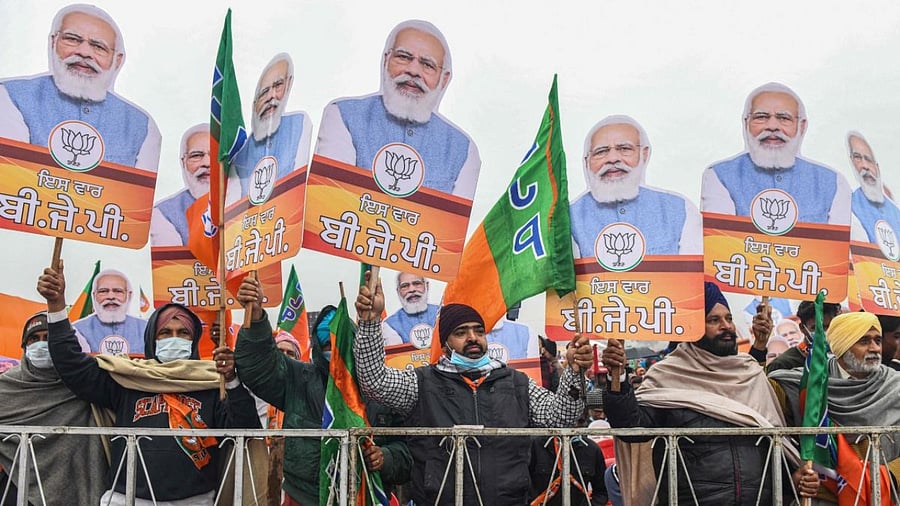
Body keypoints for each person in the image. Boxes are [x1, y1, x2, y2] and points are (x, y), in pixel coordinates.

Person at [352, 272, 593, 504]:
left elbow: (560, 417)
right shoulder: (422, 384)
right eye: (461, 332)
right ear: (445, 344)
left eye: (479, 331)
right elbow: (374, 382)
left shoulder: (516, 383)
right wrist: (371, 323)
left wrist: (573, 371)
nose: (473, 338)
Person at [37, 260, 260, 504]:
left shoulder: (211, 381)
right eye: (165, 333)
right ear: (151, 339)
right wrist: (56, 305)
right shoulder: (128, 377)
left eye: (183, 333)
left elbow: (245, 430)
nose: (174, 338)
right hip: (128, 498)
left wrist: (231, 380)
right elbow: (71, 364)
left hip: (195, 500)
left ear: (194, 339)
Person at [601, 282, 818, 504]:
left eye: (729, 318)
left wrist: (795, 479)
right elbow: (631, 427)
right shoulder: (668, 375)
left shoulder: (750, 373)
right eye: (714, 320)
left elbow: (773, 445)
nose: (727, 326)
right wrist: (617, 377)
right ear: (693, 328)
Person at [233, 280, 411, 505]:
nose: (334, 352)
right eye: (327, 345)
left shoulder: (379, 386)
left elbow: (407, 452)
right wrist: (256, 316)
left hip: (367, 496)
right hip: (305, 497)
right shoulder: (299, 379)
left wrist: (384, 458)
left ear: (354, 344)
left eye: (340, 344)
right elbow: (258, 367)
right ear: (317, 348)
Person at [315, 19, 480, 199]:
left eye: (427, 65)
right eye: (403, 57)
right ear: (386, 60)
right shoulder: (342, 116)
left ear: (444, 79)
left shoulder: (463, 150)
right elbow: (330, 199)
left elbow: (453, 223)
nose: (413, 70)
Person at [0, 4, 161, 171]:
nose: (84, 52)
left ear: (117, 60)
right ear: (53, 42)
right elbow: (9, 178)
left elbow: (137, 195)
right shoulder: (10, 98)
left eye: (98, 47)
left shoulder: (142, 127)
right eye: (72, 39)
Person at [770, 312, 900, 503]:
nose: (874, 348)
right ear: (842, 347)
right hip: (822, 496)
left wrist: (886, 476)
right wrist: (795, 475)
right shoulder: (803, 384)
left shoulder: (895, 387)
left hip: (883, 495)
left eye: (877, 340)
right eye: (864, 341)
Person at [701, 82, 850, 225]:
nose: (772, 126)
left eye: (784, 118)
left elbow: (840, 248)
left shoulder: (834, 183)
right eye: (761, 117)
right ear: (746, 123)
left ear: (801, 126)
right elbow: (720, 242)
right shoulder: (719, 177)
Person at [0, 312, 107, 505]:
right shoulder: (6, 387)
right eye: (34, 339)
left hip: (80, 482)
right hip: (17, 487)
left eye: (49, 338)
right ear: (24, 347)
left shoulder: (86, 382)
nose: (41, 345)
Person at [570, 115, 702, 258]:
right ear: (586, 161)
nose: (613, 158)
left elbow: (694, 276)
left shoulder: (681, 210)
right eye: (601, 151)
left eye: (624, 148)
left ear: (644, 154)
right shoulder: (568, 218)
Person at [231, 53, 312, 199]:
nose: (271, 97)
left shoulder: (298, 125)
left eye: (277, 85)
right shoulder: (239, 158)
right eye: (263, 93)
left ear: (289, 84)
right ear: (254, 105)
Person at [529, 414, 609, 506]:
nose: (571, 424)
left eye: (579, 421)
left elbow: (602, 491)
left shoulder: (592, 449)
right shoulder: (535, 446)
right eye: (565, 419)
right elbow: (522, 485)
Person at [150, 123, 210, 246]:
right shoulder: (164, 214)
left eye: (216, 155)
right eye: (197, 155)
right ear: (183, 163)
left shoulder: (248, 204)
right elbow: (170, 263)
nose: (207, 163)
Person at [73, 268, 148, 356]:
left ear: (129, 295)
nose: (111, 296)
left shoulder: (147, 328)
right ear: (94, 295)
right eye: (103, 291)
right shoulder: (77, 330)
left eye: (118, 291)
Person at [846, 132, 900, 244]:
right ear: (851, 163)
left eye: (868, 159)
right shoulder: (849, 207)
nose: (865, 166)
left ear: (877, 168)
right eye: (857, 158)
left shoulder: (895, 211)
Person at [764, 300, 842, 372]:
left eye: (828, 326)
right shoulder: (782, 365)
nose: (824, 333)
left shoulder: (846, 358)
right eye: (815, 328)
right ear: (802, 328)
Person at [383, 272, 439, 346]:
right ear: (398, 291)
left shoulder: (443, 313)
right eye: (405, 286)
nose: (412, 289)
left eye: (416, 283)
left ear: (427, 286)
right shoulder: (389, 325)